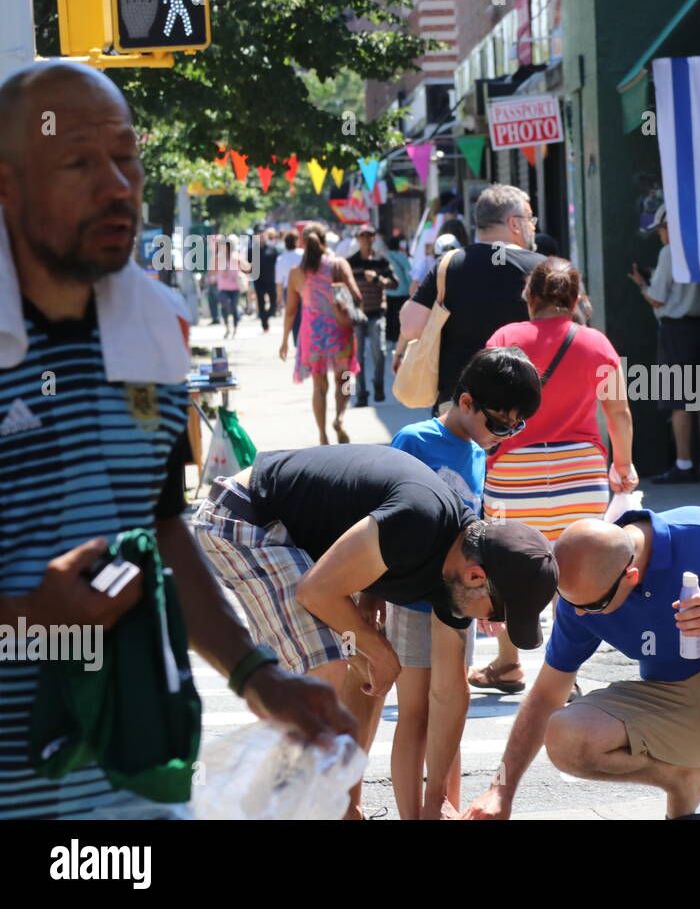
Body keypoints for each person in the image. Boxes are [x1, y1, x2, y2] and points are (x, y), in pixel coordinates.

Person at [0, 60, 354, 820]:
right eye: (79, 161)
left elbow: (159, 526)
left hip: (128, 782)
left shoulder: (154, 328)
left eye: (126, 157)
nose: (117, 185)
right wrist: (28, 618)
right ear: (6, 183)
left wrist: (258, 674)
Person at [191, 443, 559, 819]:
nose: (493, 624)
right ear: (476, 576)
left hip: (302, 542)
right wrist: (378, 649)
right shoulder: (420, 521)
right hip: (246, 519)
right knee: (329, 670)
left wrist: (435, 802)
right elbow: (315, 591)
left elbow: (450, 692)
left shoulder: (460, 571)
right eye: (498, 612)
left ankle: (339, 805)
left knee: (363, 676)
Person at [461, 508, 700, 821]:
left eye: (594, 606)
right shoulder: (581, 594)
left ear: (630, 576)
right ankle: (683, 780)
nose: (582, 613)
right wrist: (501, 791)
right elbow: (545, 696)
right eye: (571, 603)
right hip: (679, 704)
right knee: (565, 733)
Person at [468, 258, 639, 695]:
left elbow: (482, 402)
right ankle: (567, 674)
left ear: (531, 295)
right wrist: (623, 465)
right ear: (576, 299)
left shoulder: (506, 337)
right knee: (573, 569)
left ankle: (508, 664)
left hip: (514, 472)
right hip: (580, 472)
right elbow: (617, 412)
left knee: (507, 565)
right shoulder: (596, 343)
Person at [388, 347, 543, 818]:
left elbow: (474, 532)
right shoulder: (414, 439)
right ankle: (412, 813)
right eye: (501, 424)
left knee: (451, 712)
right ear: (468, 402)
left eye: (516, 427)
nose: (505, 436)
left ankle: (445, 806)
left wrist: (489, 600)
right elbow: (380, 524)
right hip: (413, 595)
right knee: (414, 713)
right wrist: (371, 598)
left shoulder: (478, 453)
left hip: (458, 598)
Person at [397, 184, 545, 411]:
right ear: (514, 223)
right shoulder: (541, 268)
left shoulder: (448, 264)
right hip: (522, 404)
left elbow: (410, 327)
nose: (533, 227)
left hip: (460, 406)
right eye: (529, 219)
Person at [628, 204, 700, 483]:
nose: (660, 235)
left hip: (678, 329)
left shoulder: (670, 252)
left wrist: (642, 284)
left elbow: (657, 298)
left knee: (680, 400)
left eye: (662, 229)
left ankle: (683, 463)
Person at [279, 221, 361, 445]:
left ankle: (323, 435)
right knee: (344, 378)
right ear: (325, 240)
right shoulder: (338, 264)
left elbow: (291, 311)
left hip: (313, 335)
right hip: (340, 330)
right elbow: (356, 296)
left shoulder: (296, 273)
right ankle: (340, 418)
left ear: (302, 243)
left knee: (319, 387)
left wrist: (285, 340)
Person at [348, 224, 398, 406]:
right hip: (357, 315)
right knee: (358, 355)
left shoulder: (381, 261)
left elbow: (394, 283)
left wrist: (377, 279)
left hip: (377, 312)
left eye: (369, 235)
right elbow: (342, 286)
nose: (366, 239)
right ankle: (362, 394)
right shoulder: (351, 262)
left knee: (380, 351)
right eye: (362, 236)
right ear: (357, 239)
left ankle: (378, 384)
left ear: (374, 238)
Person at [209, 234, 249, 339]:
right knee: (225, 306)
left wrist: (241, 266)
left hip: (235, 287)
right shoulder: (218, 257)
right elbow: (211, 270)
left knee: (234, 308)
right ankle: (227, 327)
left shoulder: (236, 256)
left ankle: (235, 329)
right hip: (223, 287)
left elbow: (247, 267)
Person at [384, 232, 412, 364]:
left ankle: (389, 341)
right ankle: (399, 341)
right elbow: (409, 274)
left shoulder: (385, 257)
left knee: (389, 316)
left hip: (389, 291)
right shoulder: (402, 257)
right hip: (403, 291)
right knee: (401, 317)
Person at [274, 229, 303, 345]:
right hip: (303, 288)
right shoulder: (303, 254)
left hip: (288, 290)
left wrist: (279, 296)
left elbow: (279, 281)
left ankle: (297, 342)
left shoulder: (281, 259)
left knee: (293, 317)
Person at [253, 225, 280, 332]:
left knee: (273, 304)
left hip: (271, 281)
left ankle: (267, 316)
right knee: (261, 303)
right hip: (259, 281)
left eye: (262, 235)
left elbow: (278, 264)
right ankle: (264, 324)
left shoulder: (272, 249)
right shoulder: (252, 250)